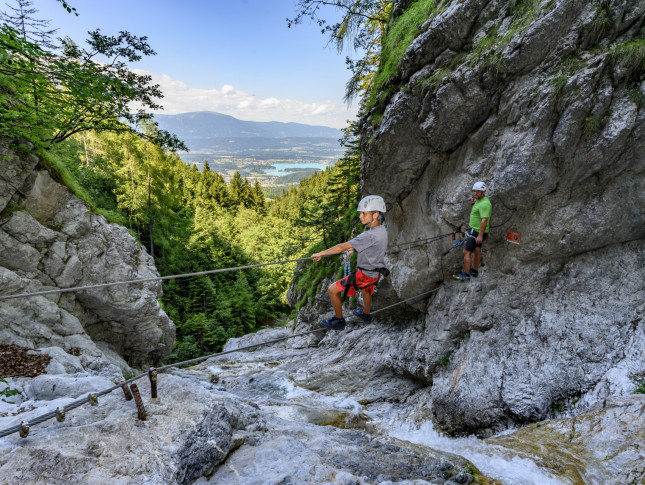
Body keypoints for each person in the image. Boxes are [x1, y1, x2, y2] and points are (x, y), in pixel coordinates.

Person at [312, 195, 388, 330]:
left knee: (332, 290)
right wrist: (355, 248)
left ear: (375, 214)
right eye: (360, 214)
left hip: (365, 274)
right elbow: (372, 246)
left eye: (364, 214)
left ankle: (339, 320)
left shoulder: (369, 234)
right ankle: (366, 313)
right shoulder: (381, 230)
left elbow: (341, 247)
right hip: (375, 273)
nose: (361, 217)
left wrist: (321, 253)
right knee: (366, 290)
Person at [453, 181, 492, 281]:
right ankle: (474, 270)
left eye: (477, 191)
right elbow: (478, 211)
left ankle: (466, 274)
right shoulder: (480, 201)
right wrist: (472, 203)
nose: (475, 193)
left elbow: (484, 220)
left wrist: (479, 235)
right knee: (477, 250)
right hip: (477, 231)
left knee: (466, 252)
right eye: (475, 191)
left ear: (483, 191)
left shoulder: (485, 204)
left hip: (476, 232)